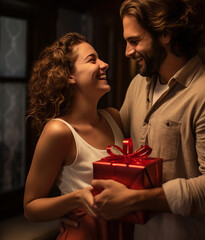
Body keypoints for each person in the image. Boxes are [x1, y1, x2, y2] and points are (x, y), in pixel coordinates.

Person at [89, 0, 205, 239]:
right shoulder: (138, 84)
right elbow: (118, 145)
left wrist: (139, 199)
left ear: (165, 33)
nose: (127, 52)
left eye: (135, 41)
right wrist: (74, 204)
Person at [23, 32, 127, 240]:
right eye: (92, 60)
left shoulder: (114, 118)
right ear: (69, 75)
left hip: (122, 231)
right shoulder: (59, 132)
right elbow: (31, 208)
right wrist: (77, 199)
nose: (105, 64)